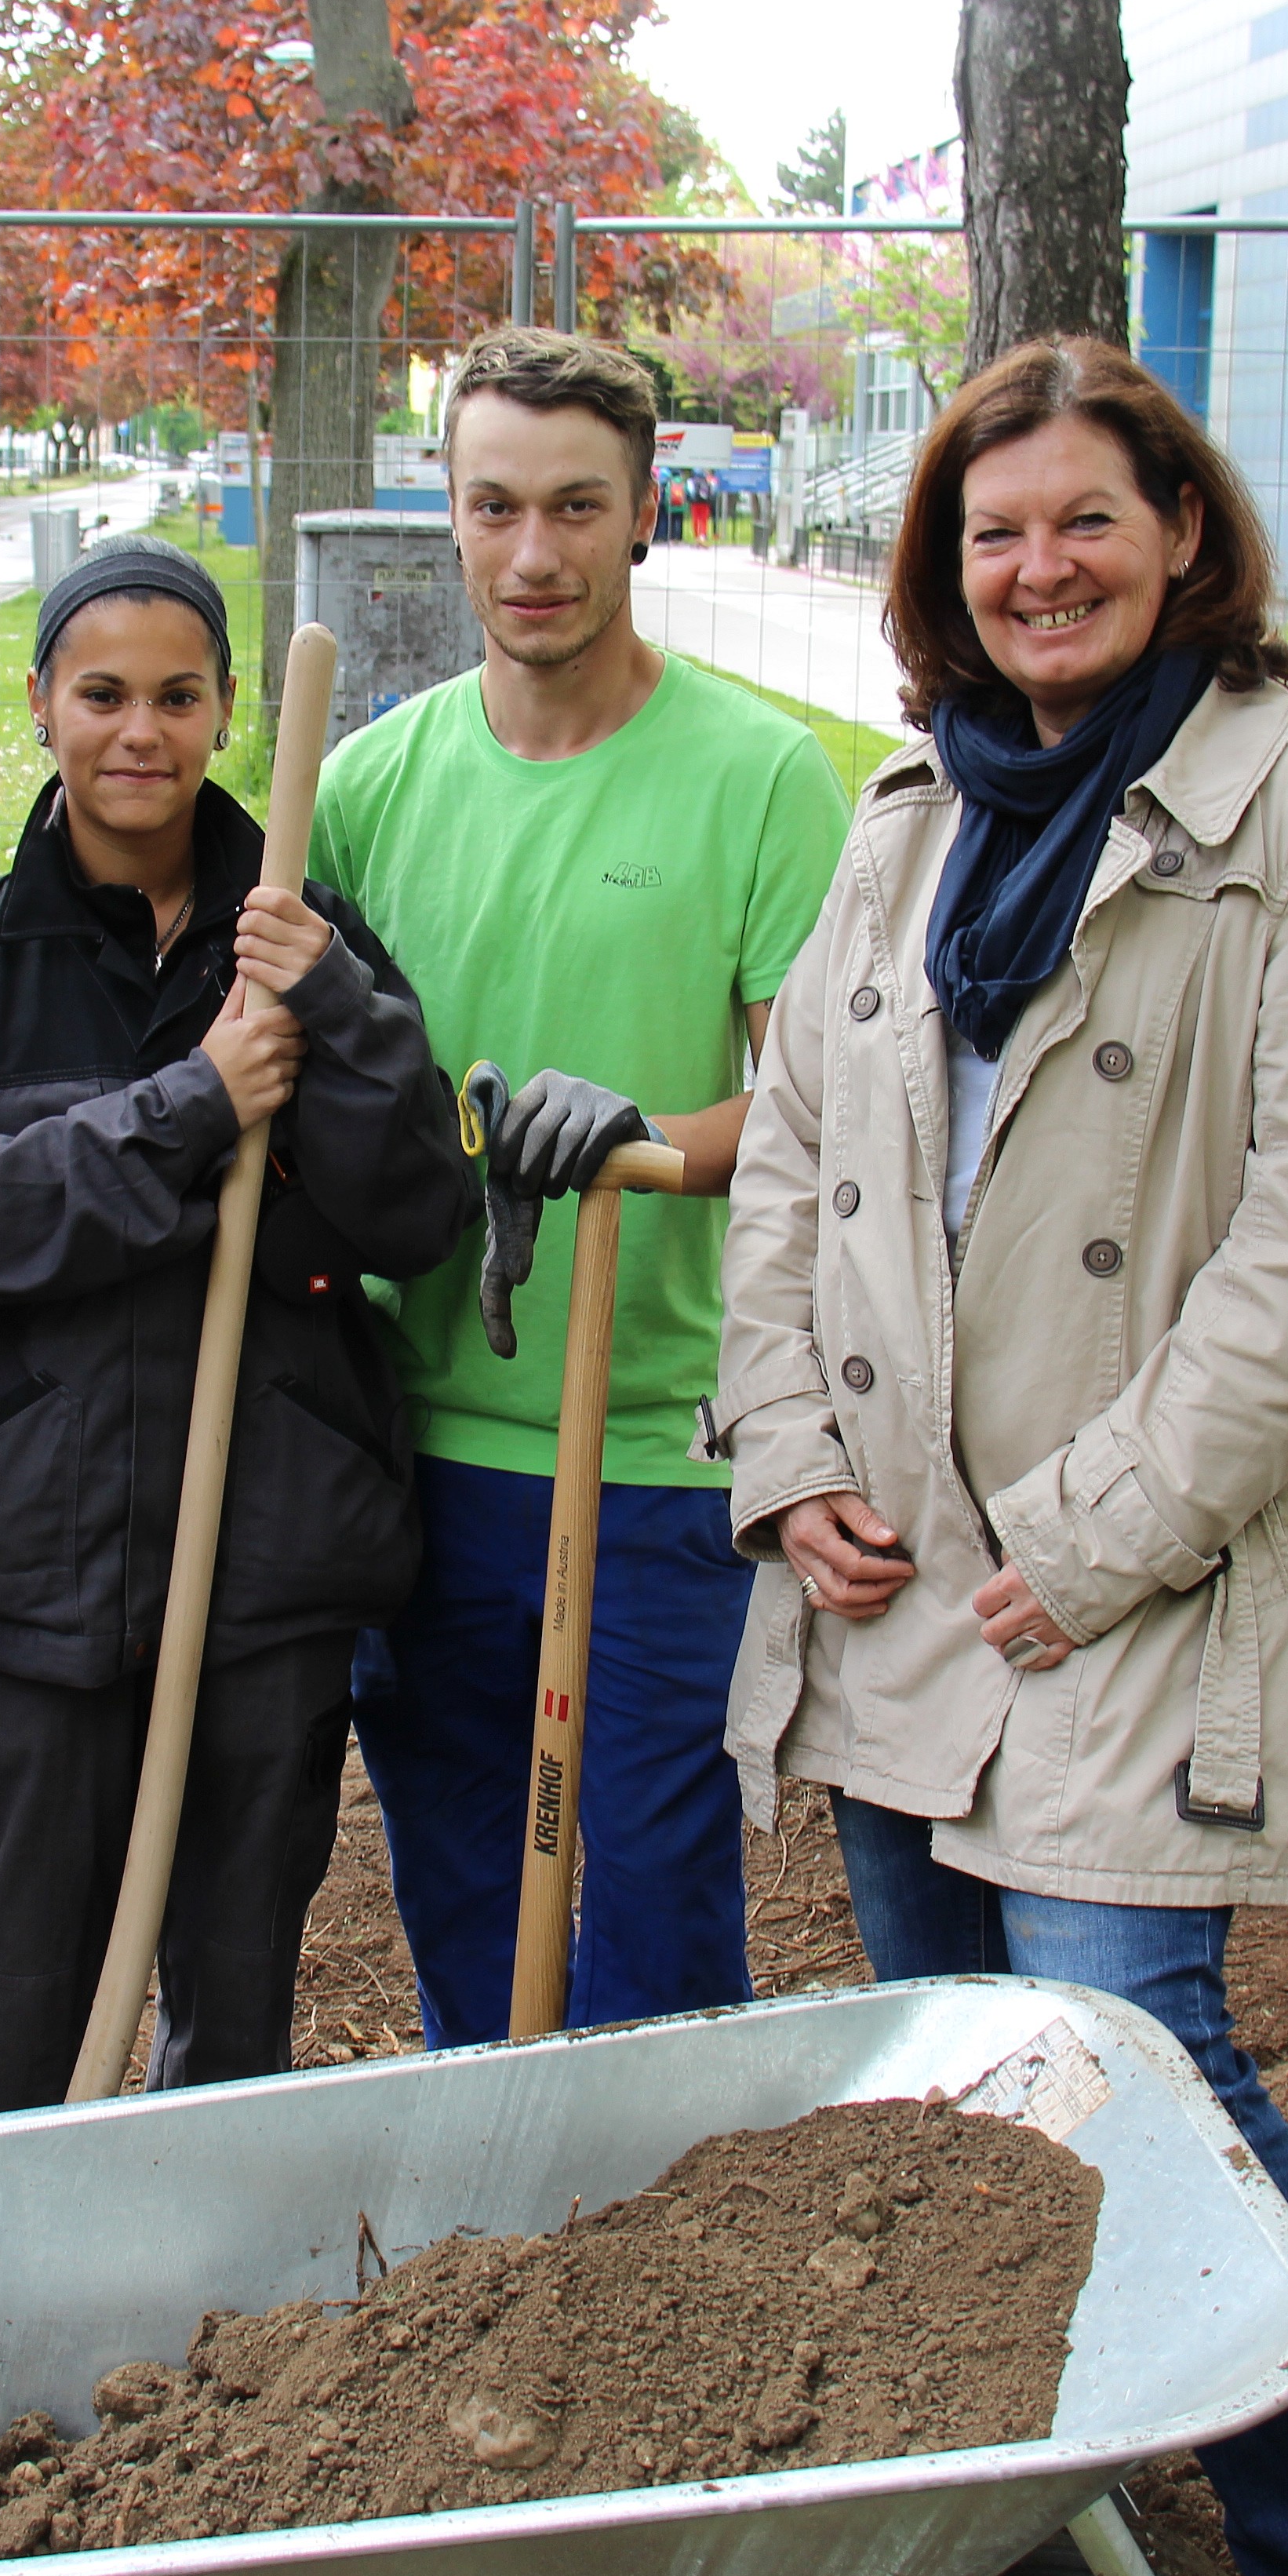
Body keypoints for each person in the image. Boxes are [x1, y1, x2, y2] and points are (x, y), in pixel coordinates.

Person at [715, 335, 1288, 2576]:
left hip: (1130, 1581)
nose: (1038, 569)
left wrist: (1096, 1537)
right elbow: (796, 1168)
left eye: (1083, 524)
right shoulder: (907, 826)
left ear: (1185, 541)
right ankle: (1032, 2554)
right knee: (963, 2101)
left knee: (1151, 2084)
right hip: (896, 1577)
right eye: (992, 531)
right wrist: (787, 1462)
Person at [0, 536, 469, 2117]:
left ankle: (214, 2343)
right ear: (47, 703)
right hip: (28, 1559)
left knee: (238, 1980)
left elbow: (414, 1215)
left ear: (227, 713)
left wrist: (335, 1015)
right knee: (27, 1985)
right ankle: (13, 2310)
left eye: (179, 697)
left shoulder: (305, 939)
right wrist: (187, 1112)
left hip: (269, 1552)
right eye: (104, 694)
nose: (142, 732)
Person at [306, 327, 846, 2046]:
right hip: (424, 1434)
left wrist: (652, 1145)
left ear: (641, 519)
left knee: (658, 1877)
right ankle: (497, 2225)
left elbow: (829, 1102)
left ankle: (661, 2252)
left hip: (657, 1438)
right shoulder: (371, 785)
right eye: (493, 507)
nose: (532, 555)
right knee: (460, 1866)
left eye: (575, 508)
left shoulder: (755, 776)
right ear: (447, 519)